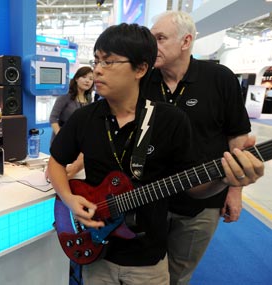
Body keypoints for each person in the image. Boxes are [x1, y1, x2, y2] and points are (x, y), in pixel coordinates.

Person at [48, 22, 263, 285]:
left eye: (109, 61)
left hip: (147, 259)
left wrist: (226, 179)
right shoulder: (84, 118)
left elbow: (195, 188)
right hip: (98, 255)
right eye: (96, 60)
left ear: (140, 69)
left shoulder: (170, 120)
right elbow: (56, 163)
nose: (97, 70)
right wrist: (69, 198)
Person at [148, 11, 255, 285]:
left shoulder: (220, 78)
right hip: (150, 199)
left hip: (204, 200)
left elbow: (238, 139)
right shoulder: (145, 81)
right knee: (145, 271)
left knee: (179, 273)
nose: (152, 46)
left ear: (185, 42)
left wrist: (235, 190)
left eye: (160, 38)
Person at [49, 66, 94, 179]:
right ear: (77, 78)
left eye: (91, 78)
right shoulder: (65, 96)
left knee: (74, 173)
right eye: (84, 77)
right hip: (62, 138)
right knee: (59, 172)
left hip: (79, 141)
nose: (87, 81)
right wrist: (61, 136)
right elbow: (53, 118)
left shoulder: (89, 99)